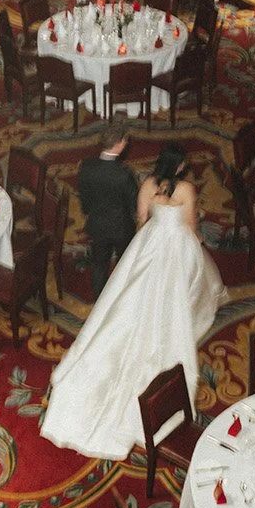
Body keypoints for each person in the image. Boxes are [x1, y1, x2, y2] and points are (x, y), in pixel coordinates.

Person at [41, 143, 225, 460]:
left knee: (131, 293)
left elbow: (141, 219)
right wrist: (197, 244)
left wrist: (149, 239)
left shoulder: (147, 185)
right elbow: (191, 226)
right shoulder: (186, 189)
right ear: (180, 167)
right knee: (177, 294)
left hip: (151, 240)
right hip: (175, 243)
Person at [78, 122, 139, 300]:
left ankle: (99, 301)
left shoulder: (86, 166)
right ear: (119, 144)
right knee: (124, 263)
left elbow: (84, 195)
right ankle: (123, 298)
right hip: (122, 227)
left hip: (97, 225)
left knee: (99, 264)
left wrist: (88, 211)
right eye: (125, 141)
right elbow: (134, 202)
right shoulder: (124, 173)